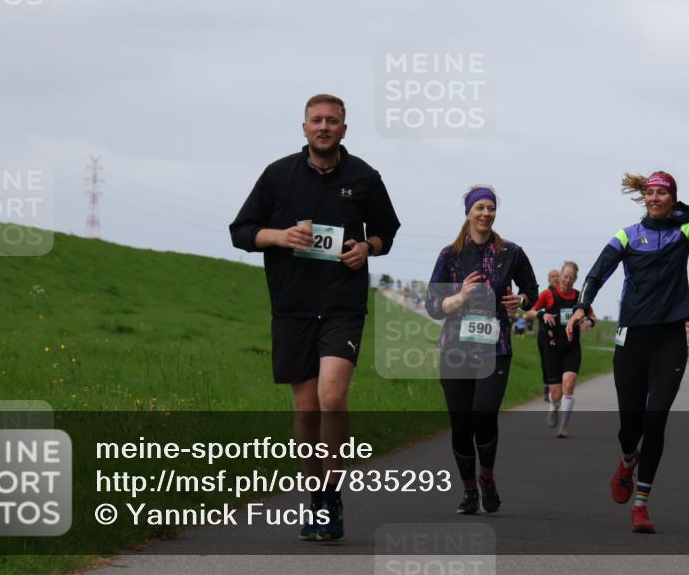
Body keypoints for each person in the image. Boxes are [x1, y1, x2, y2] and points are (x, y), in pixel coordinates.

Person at [229, 93, 401, 541]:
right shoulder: (278, 175)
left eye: (332, 121)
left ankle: (333, 494)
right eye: (317, 120)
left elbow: (387, 231)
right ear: (304, 127)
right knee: (306, 407)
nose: (324, 127)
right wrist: (279, 237)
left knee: (332, 396)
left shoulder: (364, 177)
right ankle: (316, 497)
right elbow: (240, 232)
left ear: (344, 128)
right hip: (293, 306)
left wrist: (367, 248)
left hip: (343, 305)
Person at [566, 168, 689, 533]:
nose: (655, 198)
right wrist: (582, 305)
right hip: (631, 338)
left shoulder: (684, 233)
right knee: (630, 426)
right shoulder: (626, 236)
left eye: (662, 193)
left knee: (655, 420)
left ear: (672, 199)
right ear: (645, 197)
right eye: (650, 193)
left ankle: (641, 503)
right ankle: (628, 458)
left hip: (669, 340)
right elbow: (596, 273)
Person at [426, 186, 538, 515]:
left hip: (495, 348)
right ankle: (469, 490)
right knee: (461, 423)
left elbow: (532, 291)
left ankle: (486, 476)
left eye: (491, 208)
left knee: (484, 414)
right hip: (455, 349)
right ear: (468, 212)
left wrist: (520, 300)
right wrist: (460, 297)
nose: (486, 214)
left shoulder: (511, 253)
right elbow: (433, 305)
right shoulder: (450, 255)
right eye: (480, 208)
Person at [526, 261, 595, 436]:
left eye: (571, 278)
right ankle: (554, 405)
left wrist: (590, 322)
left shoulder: (579, 298)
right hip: (552, 348)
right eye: (565, 277)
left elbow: (592, 315)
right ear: (560, 276)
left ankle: (563, 426)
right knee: (556, 393)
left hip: (572, 347)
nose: (567, 280)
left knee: (569, 382)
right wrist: (543, 314)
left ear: (575, 279)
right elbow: (529, 311)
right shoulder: (548, 294)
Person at [540, 268, 559, 403]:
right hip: (545, 333)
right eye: (553, 276)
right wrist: (544, 314)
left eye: (558, 276)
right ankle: (547, 387)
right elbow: (535, 310)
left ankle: (558, 388)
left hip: (560, 334)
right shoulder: (544, 294)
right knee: (546, 362)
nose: (556, 278)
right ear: (548, 279)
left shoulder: (565, 294)